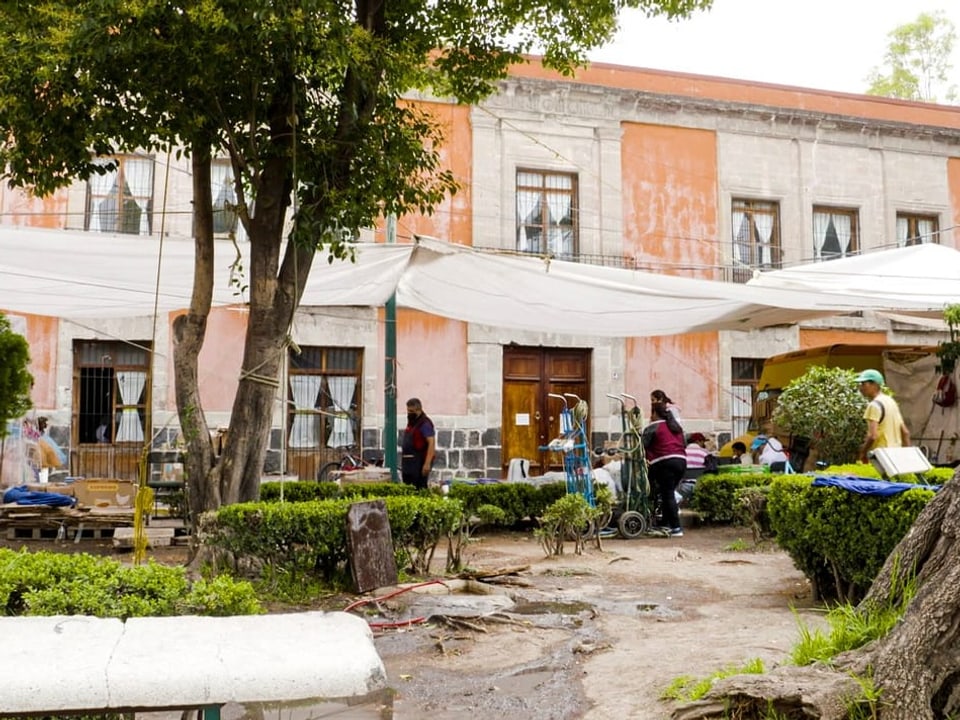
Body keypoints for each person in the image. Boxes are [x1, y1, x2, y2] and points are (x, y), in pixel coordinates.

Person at [642, 401, 687, 537]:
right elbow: (683, 444)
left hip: (664, 462)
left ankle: (676, 528)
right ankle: (665, 524)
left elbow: (642, 446)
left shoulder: (653, 427)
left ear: (655, 413)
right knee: (668, 493)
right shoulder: (676, 427)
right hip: (681, 462)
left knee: (667, 494)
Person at [856, 368, 910, 462]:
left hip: (881, 455)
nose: (861, 388)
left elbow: (873, 435)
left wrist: (863, 452)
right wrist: (907, 456)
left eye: (863, 384)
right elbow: (905, 432)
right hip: (895, 454)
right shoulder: (890, 401)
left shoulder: (874, 405)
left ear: (874, 384)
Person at [400, 398, 436, 490]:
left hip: (419, 463)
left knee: (419, 488)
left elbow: (431, 442)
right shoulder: (412, 423)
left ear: (418, 410)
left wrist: (427, 463)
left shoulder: (425, 424)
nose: (409, 413)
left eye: (411, 411)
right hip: (409, 464)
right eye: (408, 411)